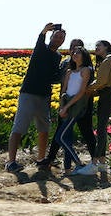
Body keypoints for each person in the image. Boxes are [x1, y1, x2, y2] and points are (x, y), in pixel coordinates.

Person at [6, 23, 65, 173]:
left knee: (44, 128)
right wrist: (44, 31)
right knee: (19, 127)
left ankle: (40, 159)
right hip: (29, 93)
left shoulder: (57, 56)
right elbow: (40, 40)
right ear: (51, 37)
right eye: (56, 36)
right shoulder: (41, 49)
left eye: (61, 38)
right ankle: (11, 162)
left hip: (44, 96)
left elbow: (52, 77)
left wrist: (64, 72)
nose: (58, 39)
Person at [37, 38, 98, 173]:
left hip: (82, 104)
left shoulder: (88, 68)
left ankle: (95, 160)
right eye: (72, 48)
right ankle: (55, 161)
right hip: (66, 103)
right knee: (63, 133)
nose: (74, 51)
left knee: (86, 131)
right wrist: (62, 104)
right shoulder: (66, 65)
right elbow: (60, 81)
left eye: (78, 48)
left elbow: (86, 87)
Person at [76, 40, 111, 176]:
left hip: (107, 95)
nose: (96, 48)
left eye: (99, 46)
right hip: (108, 94)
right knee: (102, 128)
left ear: (106, 47)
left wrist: (86, 89)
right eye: (95, 46)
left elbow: (102, 82)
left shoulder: (108, 60)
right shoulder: (110, 59)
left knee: (101, 128)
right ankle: (102, 163)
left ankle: (94, 163)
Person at [52, 46, 95, 174]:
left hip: (75, 108)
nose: (75, 54)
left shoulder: (85, 70)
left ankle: (78, 164)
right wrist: (61, 106)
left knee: (61, 138)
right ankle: (68, 169)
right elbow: (63, 90)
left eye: (78, 53)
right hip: (66, 106)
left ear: (84, 56)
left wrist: (66, 107)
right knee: (66, 137)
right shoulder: (69, 72)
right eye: (74, 52)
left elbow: (81, 92)